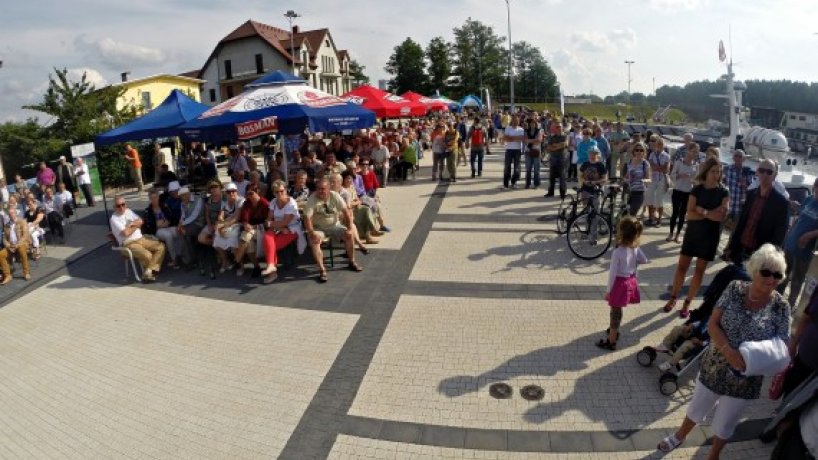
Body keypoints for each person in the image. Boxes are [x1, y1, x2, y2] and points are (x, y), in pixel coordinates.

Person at [657, 244, 791, 459]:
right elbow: (712, 324)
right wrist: (729, 352)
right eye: (766, 272)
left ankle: (714, 455)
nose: (772, 279)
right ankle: (680, 435)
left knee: (727, 421)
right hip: (715, 364)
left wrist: (765, 360)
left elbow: (783, 344)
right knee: (698, 406)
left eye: (778, 274)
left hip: (746, 377)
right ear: (754, 270)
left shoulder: (781, 306)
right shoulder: (735, 288)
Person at [665, 158, 730, 318]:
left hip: (710, 236)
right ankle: (673, 297)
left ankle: (687, 303)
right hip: (693, 233)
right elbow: (690, 214)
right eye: (713, 171)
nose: (716, 174)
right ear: (706, 172)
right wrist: (708, 213)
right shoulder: (697, 189)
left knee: (699, 272)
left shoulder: (724, 192)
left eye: (718, 171)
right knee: (682, 267)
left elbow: (720, 216)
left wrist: (702, 210)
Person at [724, 158, 789, 264]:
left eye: (769, 172)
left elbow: (779, 236)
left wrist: (769, 259)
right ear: (757, 172)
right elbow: (741, 223)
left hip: (760, 255)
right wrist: (731, 246)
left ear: (775, 175)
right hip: (740, 250)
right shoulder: (751, 194)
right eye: (762, 170)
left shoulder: (782, 203)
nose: (765, 174)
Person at [597, 217, 646, 351]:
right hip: (630, 281)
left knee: (615, 313)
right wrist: (633, 262)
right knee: (618, 310)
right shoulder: (635, 248)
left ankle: (611, 341)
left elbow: (612, 274)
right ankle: (614, 331)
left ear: (621, 233)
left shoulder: (617, 252)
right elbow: (644, 260)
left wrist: (608, 291)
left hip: (619, 284)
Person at [303, 178, 363, 283]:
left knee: (349, 235)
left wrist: (349, 228)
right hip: (319, 228)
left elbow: (346, 212)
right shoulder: (312, 199)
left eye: (323, 189)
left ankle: (352, 262)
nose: (320, 191)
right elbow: (307, 218)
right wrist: (312, 233)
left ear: (329, 188)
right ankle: (322, 270)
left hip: (335, 226)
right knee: (314, 240)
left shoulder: (335, 196)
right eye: (318, 188)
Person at [781, 179, 818, 307]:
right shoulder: (809, 199)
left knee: (797, 281)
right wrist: (788, 234)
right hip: (790, 244)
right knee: (782, 274)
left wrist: (809, 235)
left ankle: (790, 305)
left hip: (804, 252)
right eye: (817, 187)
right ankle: (776, 299)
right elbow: (798, 218)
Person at [110, 196, 165, 282]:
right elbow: (126, 233)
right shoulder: (114, 219)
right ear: (114, 207)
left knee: (161, 246)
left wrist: (131, 225)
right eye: (118, 206)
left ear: (125, 204)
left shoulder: (128, 211)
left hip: (141, 238)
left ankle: (148, 271)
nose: (121, 207)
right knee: (147, 255)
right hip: (128, 243)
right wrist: (136, 225)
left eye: (123, 204)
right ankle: (151, 271)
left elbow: (141, 221)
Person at [261, 181, 306, 284]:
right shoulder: (273, 202)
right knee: (267, 237)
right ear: (274, 193)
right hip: (279, 229)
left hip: (292, 228)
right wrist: (279, 228)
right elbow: (268, 220)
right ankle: (271, 267)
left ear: (286, 190)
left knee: (269, 245)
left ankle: (272, 270)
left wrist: (273, 224)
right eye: (277, 192)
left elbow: (285, 222)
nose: (280, 194)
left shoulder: (291, 203)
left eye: (282, 191)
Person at [233, 184, 269, 278]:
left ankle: (237, 261)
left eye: (251, 193)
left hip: (262, 229)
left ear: (257, 192)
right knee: (248, 243)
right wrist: (245, 224)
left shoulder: (264, 203)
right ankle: (256, 266)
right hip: (250, 230)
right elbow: (245, 218)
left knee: (246, 236)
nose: (249, 196)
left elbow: (267, 222)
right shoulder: (247, 203)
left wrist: (253, 226)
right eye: (247, 193)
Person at [667, 142, 699, 242]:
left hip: (688, 192)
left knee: (683, 214)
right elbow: (671, 176)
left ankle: (677, 235)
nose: (694, 154)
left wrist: (693, 180)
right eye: (693, 151)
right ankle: (671, 233)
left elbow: (696, 181)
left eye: (696, 152)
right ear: (688, 151)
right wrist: (680, 176)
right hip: (677, 190)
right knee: (675, 213)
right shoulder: (679, 162)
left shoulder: (696, 165)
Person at [143, 190, 182, 269]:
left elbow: (171, 217)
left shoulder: (164, 206)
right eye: (152, 198)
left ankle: (180, 254)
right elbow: (149, 225)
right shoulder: (148, 210)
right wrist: (158, 225)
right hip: (157, 231)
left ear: (158, 197)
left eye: (156, 197)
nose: (154, 199)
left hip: (168, 227)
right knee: (168, 235)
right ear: (150, 199)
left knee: (179, 231)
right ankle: (174, 259)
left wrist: (168, 221)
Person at [213, 183, 245, 273]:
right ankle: (225, 262)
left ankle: (240, 265)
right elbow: (221, 215)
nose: (231, 193)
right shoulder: (224, 202)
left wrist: (222, 226)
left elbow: (236, 218)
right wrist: (220, 223)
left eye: (233, 191)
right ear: (225, 193)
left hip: (239, 224)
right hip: (227, 224)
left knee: (233, 240)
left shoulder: (241, 201)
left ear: (236, 191)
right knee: (216, 239)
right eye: (228, 192)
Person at [721, 149, 754, 230]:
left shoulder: (748, 171)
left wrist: (745, 185)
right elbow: (721, 185)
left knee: (735, 231)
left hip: (739, 207)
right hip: (727, 205)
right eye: (736, 156)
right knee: (719, 228)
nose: (738, 158)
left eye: (740, 156)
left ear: (744, 159)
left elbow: (752, 189)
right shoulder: (726, 169)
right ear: (733, 157)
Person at [2, 206, 32, 282]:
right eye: (10, 214)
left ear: (16, 213)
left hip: (21, 244)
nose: (11, 215)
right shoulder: (7, 225)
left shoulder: (22, 222)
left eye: (13, 213)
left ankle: (26, 272)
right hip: (11, 246)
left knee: (22, 249)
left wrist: (17, 245)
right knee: (1, 254)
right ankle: (7, 275)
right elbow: (4, 239)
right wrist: (9, 246)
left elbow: (25, 235)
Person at [645, 137, 670, 227]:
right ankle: (651, 218)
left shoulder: (667, 156)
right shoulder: (652, 154)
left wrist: (656, 168)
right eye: (658, 144)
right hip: (652, 179)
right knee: (650, 198)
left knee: (660, 200)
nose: (659, 145)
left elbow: (666, 169)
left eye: (661, 144)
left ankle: (659, 220)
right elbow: (651, 166)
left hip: (661, 179)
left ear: (663, 145)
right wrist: (660, 168)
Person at [624, 142, 651, 216]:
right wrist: (624, 180)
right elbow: (626, 176)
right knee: (626, 214)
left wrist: (642, 180)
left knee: (632, 213)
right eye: (637, 150)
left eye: (641, 150)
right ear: (634, 151)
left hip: (639, 192)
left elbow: (649, 179)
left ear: (644, 152)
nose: (639, 152)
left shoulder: (645, 163)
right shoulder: (630, 162)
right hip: (630, 192)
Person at [544, 123, 569, 199]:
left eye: (560, 127)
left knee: (562, 177)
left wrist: (554, 146)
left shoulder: (565, 136)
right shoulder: (552, 137)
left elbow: (564, 144)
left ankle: (563, 193)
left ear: (562, 128)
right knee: (552, 177)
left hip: (562, 159)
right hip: (553, 159)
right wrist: (558, 146)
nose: (558, 128)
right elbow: (548, 147)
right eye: (557, 127)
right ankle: (550, 192)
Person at [503, 115, 525, 189]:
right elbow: (506, 138)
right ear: (512, 121)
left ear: (518, 121)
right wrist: (516, 138)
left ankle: (514, 182)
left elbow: (521, 139)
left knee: (517, 168)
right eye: (514, 120)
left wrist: (511, 138)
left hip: (517, 150)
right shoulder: (508, 128)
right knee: (507, 167)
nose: (515, 122)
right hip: (509, 149)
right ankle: (506, 184)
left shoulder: (521, 129)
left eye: (517, 121)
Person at [524, 117, 544, 189]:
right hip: (528, 151)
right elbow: (525, 140)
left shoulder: (539, 131)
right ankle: (528, 183)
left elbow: (539, 140)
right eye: (531, 123)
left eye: (534, 123)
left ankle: (536, 184)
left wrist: (530, 140)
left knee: (536, 169)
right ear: (529, 124)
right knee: (528, 169)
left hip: (536, 151)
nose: (532, 124)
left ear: (536, 124)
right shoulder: (526, 131)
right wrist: (534, 140)